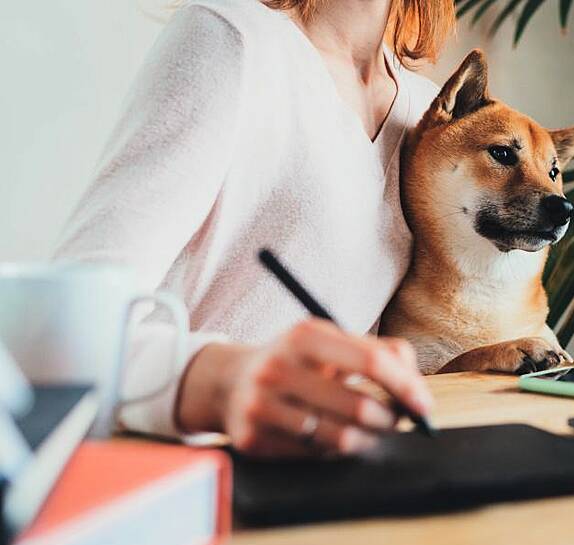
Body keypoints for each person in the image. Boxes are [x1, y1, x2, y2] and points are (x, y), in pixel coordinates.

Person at [53, 0, 455, 456]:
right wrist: (219, 383)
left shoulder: (427, 110)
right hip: (193, 470)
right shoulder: (232, 37)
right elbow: (64, 325)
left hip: (332, 472)